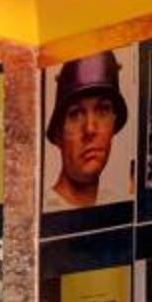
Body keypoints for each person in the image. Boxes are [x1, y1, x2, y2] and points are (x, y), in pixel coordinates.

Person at [44, 51, 128, 209]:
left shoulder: (117, 204)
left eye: (103, 110)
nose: (90, 129)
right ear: (58, 134)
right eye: (75, 114)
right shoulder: (46, 208)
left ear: (114, 123)